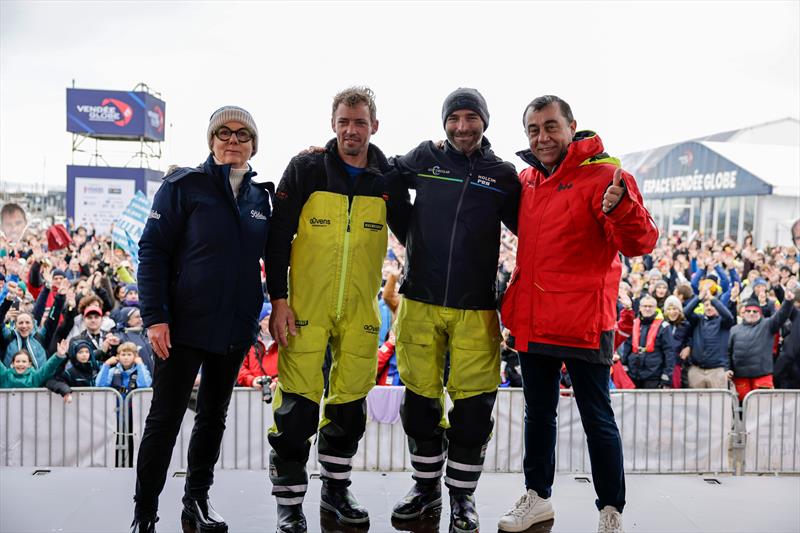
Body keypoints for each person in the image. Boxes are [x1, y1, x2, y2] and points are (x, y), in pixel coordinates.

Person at [498, 95, 657, 533]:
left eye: (551, 127)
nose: (542, 137)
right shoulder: (527, 180)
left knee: (597, 417)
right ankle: (537, 498)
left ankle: (611, 509)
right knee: (538, 414)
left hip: (586, 321)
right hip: (534, 318)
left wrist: (621, 207)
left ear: (572, 127)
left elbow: (642, 243)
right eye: (533, 129)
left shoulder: (607, 176)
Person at [265, 86, 404, 533]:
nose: (351, 130)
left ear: (374, 126)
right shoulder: (305, 168)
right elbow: (277, 238)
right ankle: (289, 502)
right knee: (296, 410)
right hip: (305, 309)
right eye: (344, 121)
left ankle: (336, 490)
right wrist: (278, 301)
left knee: (348, 408)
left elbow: (417, 233)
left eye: (360, 122)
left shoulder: (387, 178)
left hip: (360, 312)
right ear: (333, 124)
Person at [131, 105, 270, 533]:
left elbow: (268, 259)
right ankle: (145, 513)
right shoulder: (182, 186)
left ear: (253, 144)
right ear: (211, 141)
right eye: (224, 132)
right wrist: (155, 317)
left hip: (233, 327)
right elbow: (152, 251)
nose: (233, 140)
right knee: (165, 419)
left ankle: (196, 502)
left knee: (213, 417)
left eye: (242, 134)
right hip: (181, 327)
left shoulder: (260, 197)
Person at [389, 88, 520, 533]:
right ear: (444, 122)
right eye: (454, 118)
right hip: (420, 302)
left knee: (473, 411)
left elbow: (533, 227)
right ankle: (425, 490)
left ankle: (463, 498)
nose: (462, 126)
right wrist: (409, 233)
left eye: (471, 118)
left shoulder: (502, 174)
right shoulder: (425, 157)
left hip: (476, 308)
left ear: (485, 121)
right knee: (421, 404)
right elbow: (383, 176)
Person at [728, 292, 795, 401]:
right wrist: (728, 369)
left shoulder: (768, 325)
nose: (751, 313)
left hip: (762, 375)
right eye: (748, 311)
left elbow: (781, 315)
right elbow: (728, 352)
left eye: (755, 311)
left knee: (763, 409)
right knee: (742, 409)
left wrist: (788, 301)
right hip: (740, 377)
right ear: (743, 314)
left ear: (760, 314)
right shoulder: (734, 330)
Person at [683, 286, 736, 389]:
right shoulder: (698, 320)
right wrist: (699, 298)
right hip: (697, 370)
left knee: (718, 403)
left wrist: (713, 299)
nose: (709, 307)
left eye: (712, 305)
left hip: (717, 370)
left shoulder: (723, 322)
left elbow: (729, 316)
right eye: (706, 305)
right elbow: (686, 312)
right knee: (696, 403)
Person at [619, 295, 673, 389]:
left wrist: (666, 376)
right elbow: (627, 346)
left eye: (650, 306)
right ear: (640, 307)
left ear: (655, 308)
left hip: (654, 375)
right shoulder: (633, 324)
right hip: (633, 373)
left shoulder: (664, 327)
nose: (647, 309)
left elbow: (669, 353)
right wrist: (624, 365)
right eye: (645, 306)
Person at [0, 339, 68, 388]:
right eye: (17, 361)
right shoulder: (5, 376)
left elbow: (48, 368)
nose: (20, 364)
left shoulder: (34, 377)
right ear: (12, 364)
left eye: (24, 361)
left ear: (29, 364)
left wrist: (58, 355)